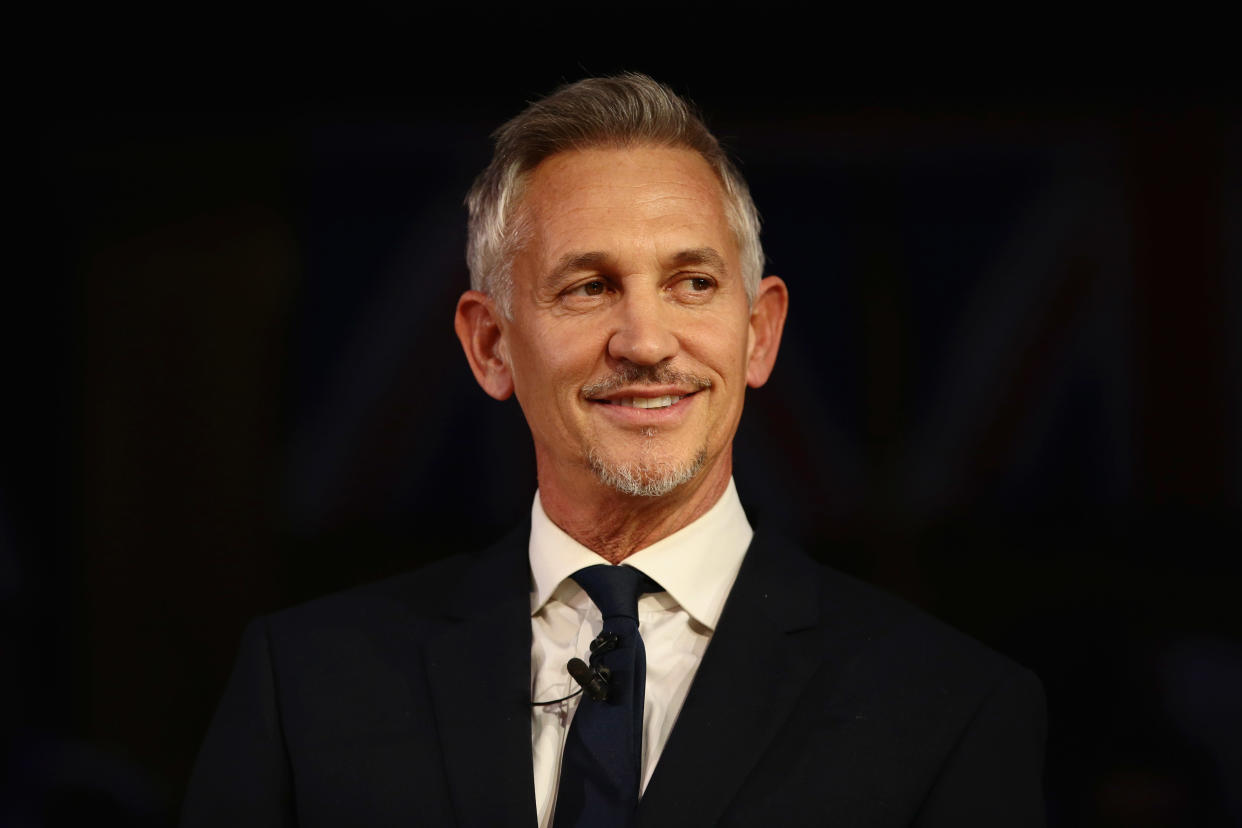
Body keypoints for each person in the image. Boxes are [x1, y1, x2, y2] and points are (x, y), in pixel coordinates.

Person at [182, 74, 1046, 827]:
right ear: (490, 346)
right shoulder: (305, 688)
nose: (645, 340)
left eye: (692, 283)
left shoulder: (948, 708)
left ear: (759, 333)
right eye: (589, 286)